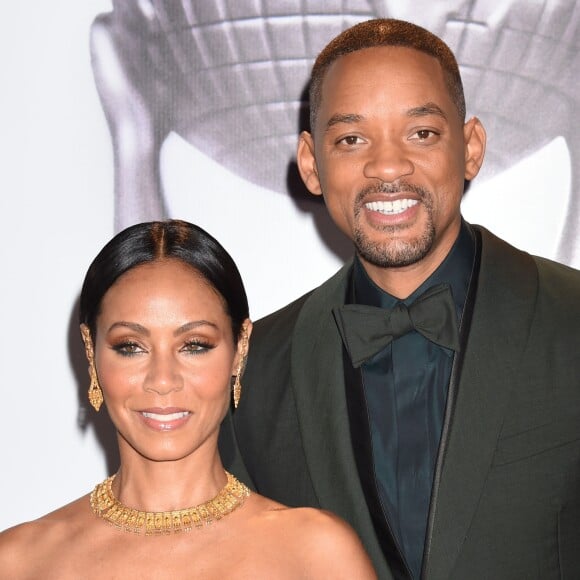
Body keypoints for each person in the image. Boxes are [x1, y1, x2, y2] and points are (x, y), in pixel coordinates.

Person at [221, 18, 580, 580]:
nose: (388, 167)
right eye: (352, 139)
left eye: (422, 133)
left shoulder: (573, 322)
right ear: (312, 165)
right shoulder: (252, 372)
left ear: (471, 148)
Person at [0, 220, 376, 579]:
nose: (163, 380)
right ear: (90, 351)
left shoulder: (317, 554)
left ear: (240, 349)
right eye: (131, 347)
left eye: (194, 346)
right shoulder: (19, 561)